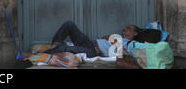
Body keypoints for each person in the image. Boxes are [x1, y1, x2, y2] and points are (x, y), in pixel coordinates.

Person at [24, 21, 161, 59]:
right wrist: (108, 38)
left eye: (129, 28)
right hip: (91, 43)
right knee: (69, 25)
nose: (125, 28)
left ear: (135, 34)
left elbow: (125, 53)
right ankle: (55, 45)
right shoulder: (120, 38)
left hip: (93, 51)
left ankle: (36, 56)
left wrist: (115, 43)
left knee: (67, 49)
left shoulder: (132, 43)